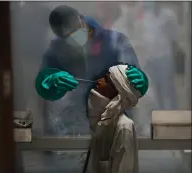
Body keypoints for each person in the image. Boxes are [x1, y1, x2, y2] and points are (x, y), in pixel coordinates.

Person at [35, 5, 149, 172]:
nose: (73, 38)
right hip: (75, 129)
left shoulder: (114, 42)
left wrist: (140, 82)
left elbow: (131, 76)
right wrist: (49, 82)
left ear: (82, 21)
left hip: (112, 122)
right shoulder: (57, 49)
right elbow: (43, 82)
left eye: (75, 32)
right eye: (67, 36)